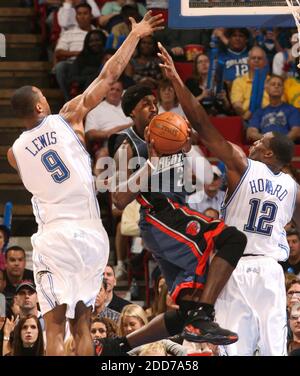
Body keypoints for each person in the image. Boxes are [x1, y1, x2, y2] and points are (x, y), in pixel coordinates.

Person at [6, 11, 164, 356]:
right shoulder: (69, 118)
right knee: (81, 324)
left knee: (53, 325)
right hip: (91, 235)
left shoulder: (13, 153)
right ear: (39, 104)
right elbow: (109, 75)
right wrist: (135, 34)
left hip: (55, 234)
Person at [157, 42, 299, 355]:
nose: (256, 139)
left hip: (234, 269)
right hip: (271, 271)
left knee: (235, 350)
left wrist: (178, 82)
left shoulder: (241, 164)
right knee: (276, 350)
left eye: (262, 140)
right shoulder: (292, 187)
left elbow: (203, 125)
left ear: (270, 153)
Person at [100, 81, 247, 354]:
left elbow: (200, 179)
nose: (153, 106)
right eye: (145, 103)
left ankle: (119, 345)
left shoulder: (170, 134)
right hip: (159, 216)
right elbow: (119, 199)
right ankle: (204, 313)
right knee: (232, 239)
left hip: (173, 217)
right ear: (132, 112)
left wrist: (187, 146)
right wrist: (151, 164)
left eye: (153, 101)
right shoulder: (126, 143)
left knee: (185, 310)